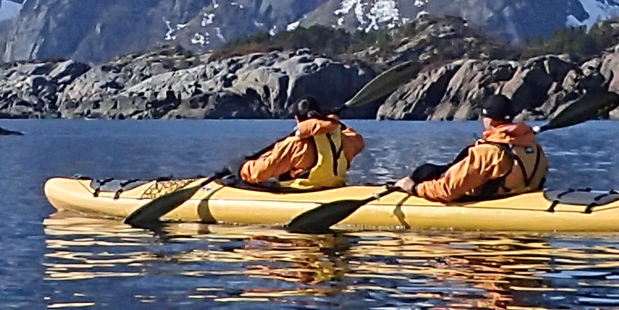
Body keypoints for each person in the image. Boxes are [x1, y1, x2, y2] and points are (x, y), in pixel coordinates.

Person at [400, 95, 549, 204]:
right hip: (520, 198)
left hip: (489, 202)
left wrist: (414, 187)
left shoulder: (488, 152)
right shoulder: (533, 147)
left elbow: (447, 190)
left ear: (488, 120)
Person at [234, 100, 365, 191]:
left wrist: (240, 167)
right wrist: (333, 122)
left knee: (240, 181)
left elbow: (259, 173)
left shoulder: (294, 144)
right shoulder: (345, 139)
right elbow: (359, 141)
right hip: (333, 188)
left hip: (303, 192)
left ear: (297, 118)